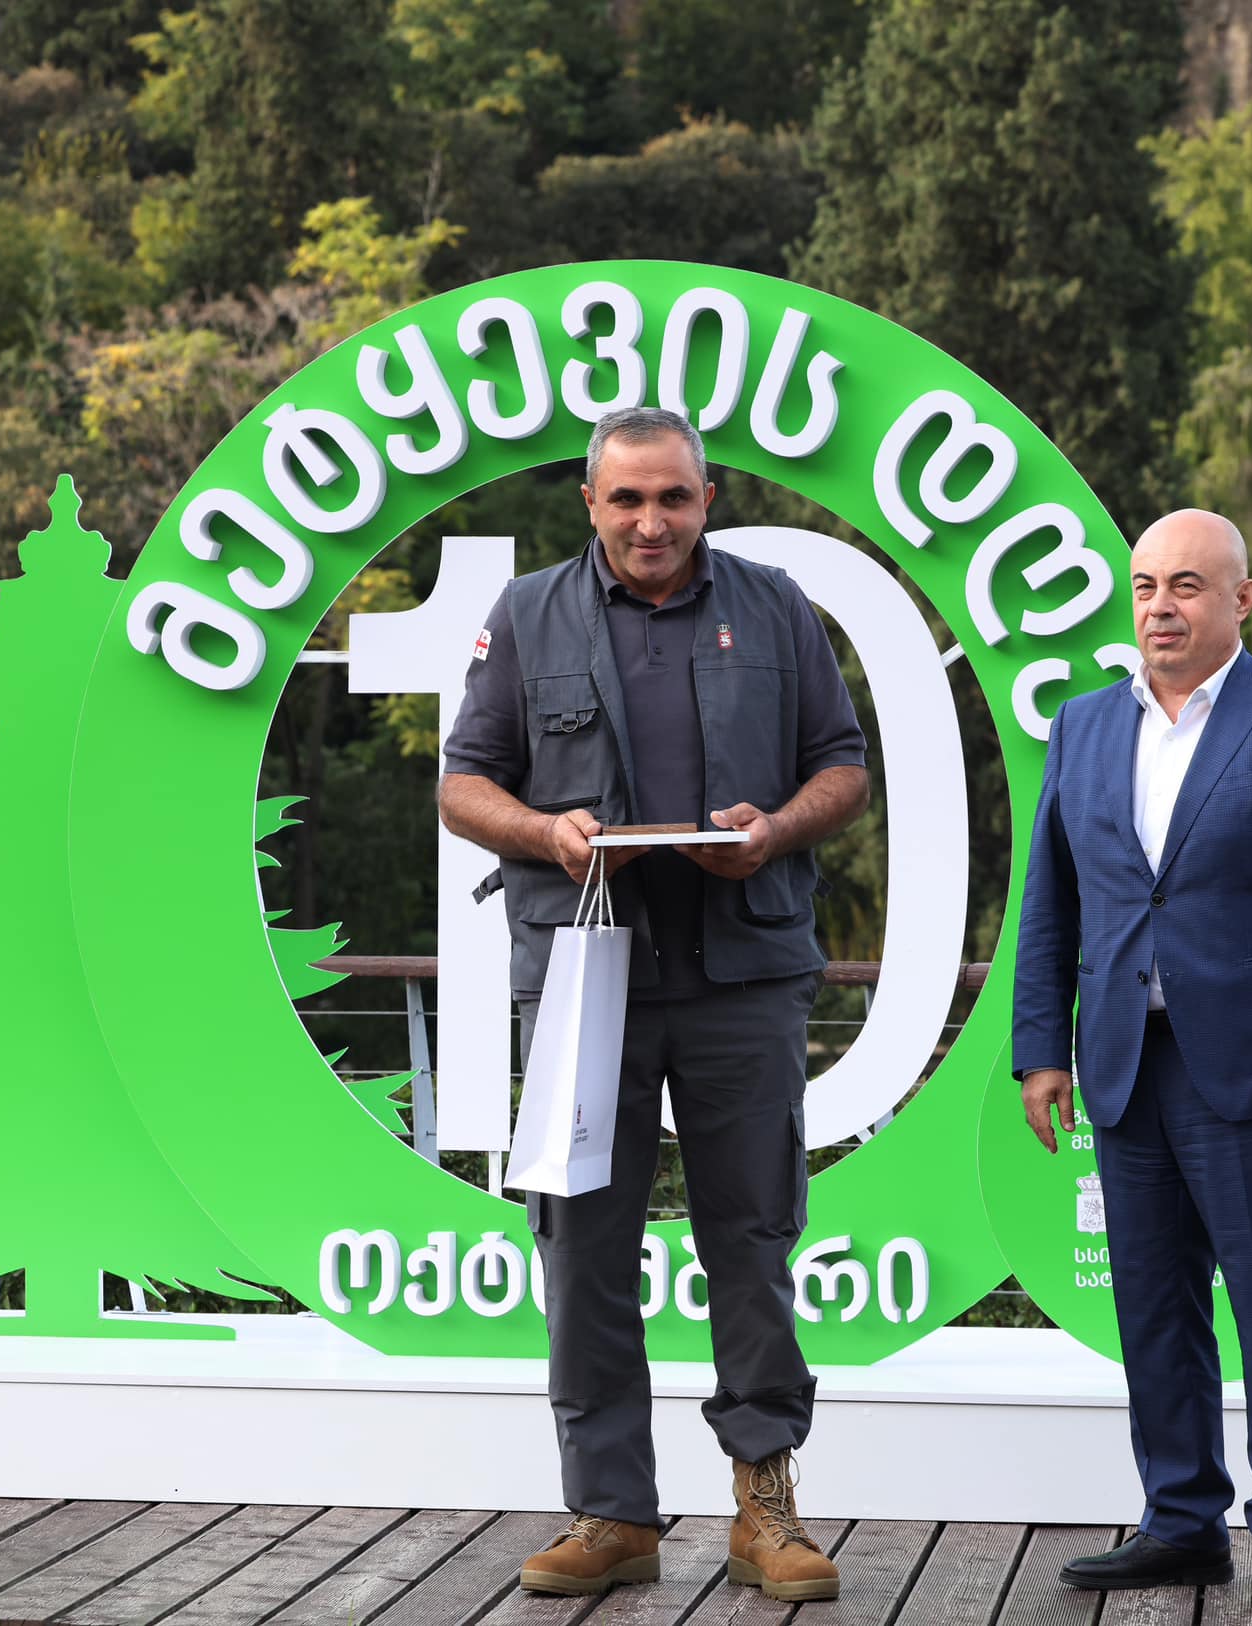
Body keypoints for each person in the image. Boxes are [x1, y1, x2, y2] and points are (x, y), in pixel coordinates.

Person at [438, 406, 870, 1603]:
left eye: (672, 497)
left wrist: (774, 829)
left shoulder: (775, 607)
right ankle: (611, 1514)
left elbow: (842, 769)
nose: (649, 520)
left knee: (752, 1239)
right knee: (583, 1246)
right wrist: (545, 833)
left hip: (744, 975)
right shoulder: (527, 614)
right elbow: (463, 786)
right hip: (588, 978)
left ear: (705, 499)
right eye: (625, 498)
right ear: (589, 502)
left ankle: (764, 1507)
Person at [1011, 509, 1252, 1612]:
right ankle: (1180, 1523)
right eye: (1144, 586)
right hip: (1125, 1063)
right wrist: (1039, 1049)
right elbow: (1050, 903)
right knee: (1152, 1309)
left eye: (1185, 586)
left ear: (1241, 599)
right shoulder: (1082, 726)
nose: (1160, 607)